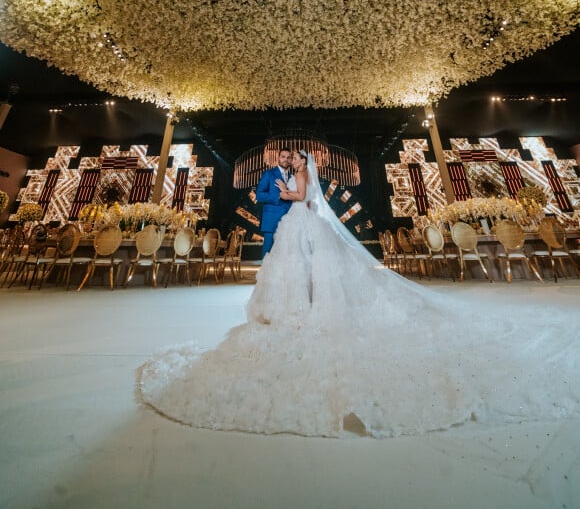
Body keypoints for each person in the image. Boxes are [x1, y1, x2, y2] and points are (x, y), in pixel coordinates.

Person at [140, 151, 580, 438]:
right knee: (289, 270)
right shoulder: (288, 174)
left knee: (301, 269)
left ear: (301, 162)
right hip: (293, 223)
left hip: (300, 221)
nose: (291, 160)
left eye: (294, 158)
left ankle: (304, 309)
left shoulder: (299, 177)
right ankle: (293, 307)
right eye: (289, 158)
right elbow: (295, 195)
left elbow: (303, 197)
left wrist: (286, 190)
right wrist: (280, 190)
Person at [255, 147, 293, 257]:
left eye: (288, 157)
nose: (285, 159)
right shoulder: (269, 174)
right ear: (278, 158)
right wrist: (278, 195)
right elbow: (259, 195)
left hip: (288, 221)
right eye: (283, 157)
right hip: (271, 220)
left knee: (285, 255)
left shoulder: (292, 178)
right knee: (268, 254)